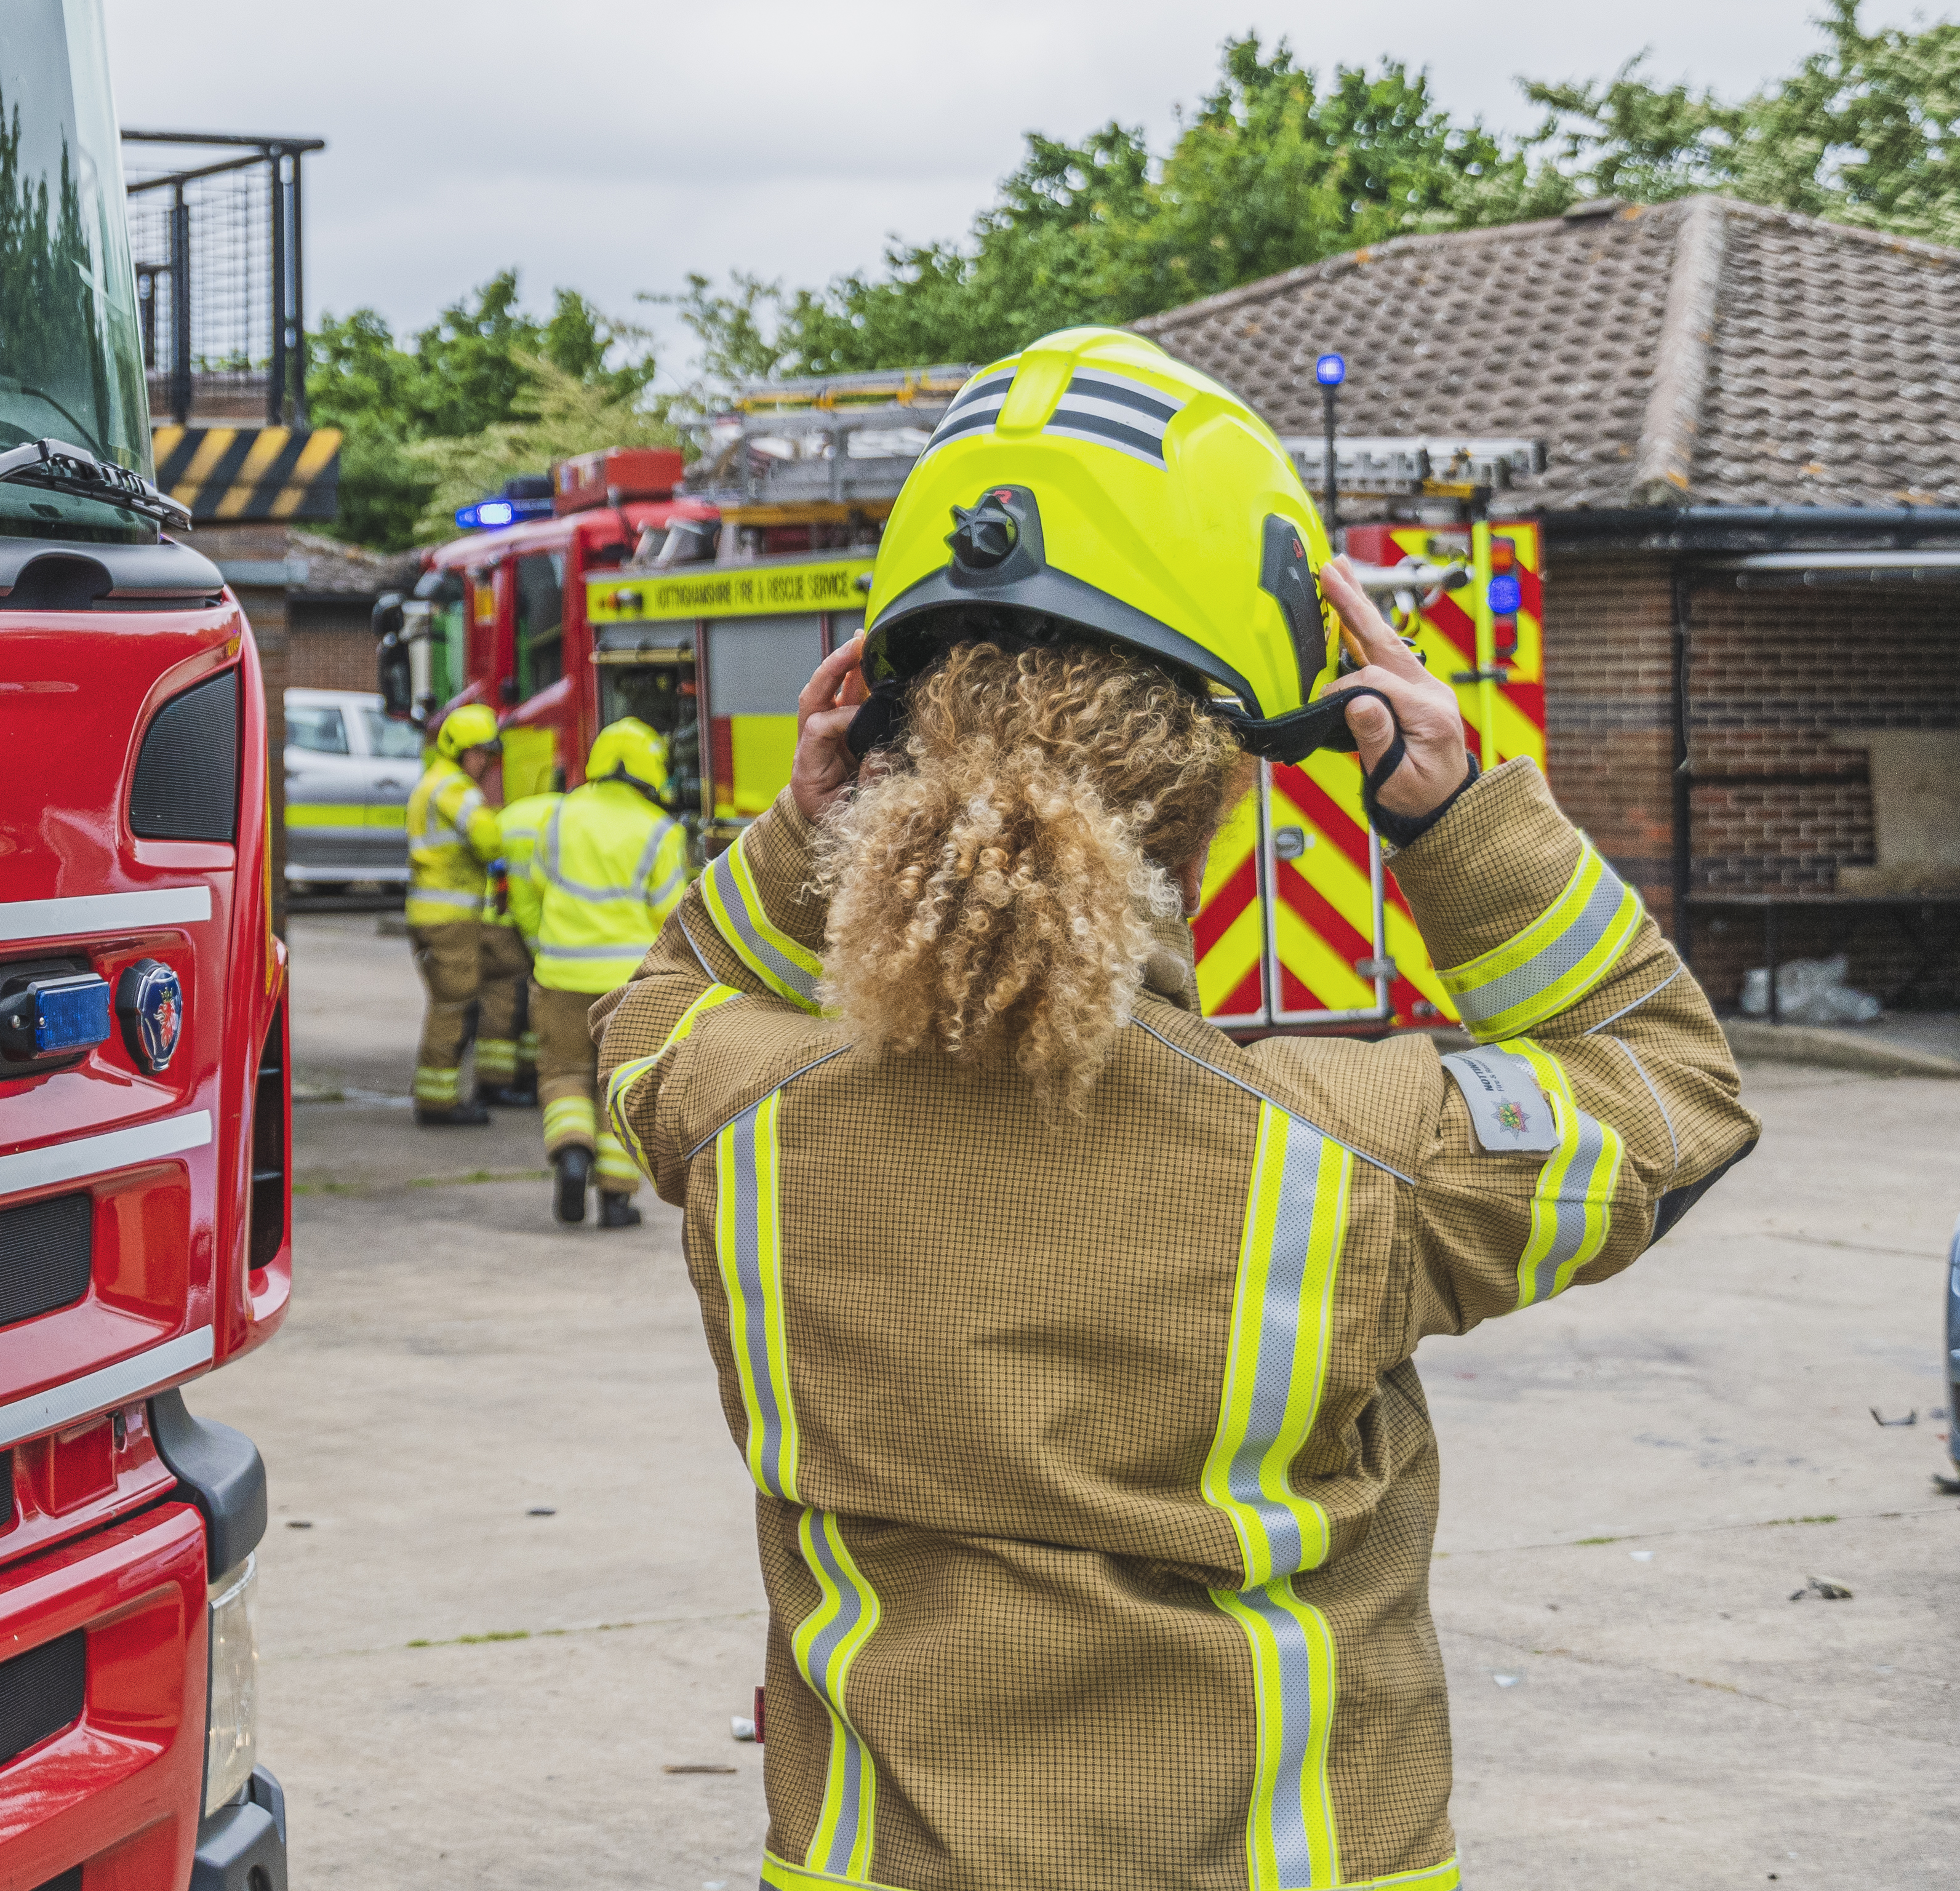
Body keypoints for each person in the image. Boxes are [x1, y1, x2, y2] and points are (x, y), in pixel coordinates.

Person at [600, 326, 1756, 1891]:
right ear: (1208, 791)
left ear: (880, 745)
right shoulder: (1357, 1149)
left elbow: (650, 1011)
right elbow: (1668, 1077)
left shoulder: (744, 1121)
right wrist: (1453, 819)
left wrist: (798, 838)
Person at [517, 716, 686, 1226]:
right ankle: (616, 1201)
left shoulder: (561, 815)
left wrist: (539, 944)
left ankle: (572, 1156)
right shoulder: (661, 831)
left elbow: (535, 885)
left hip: (561, 974)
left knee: (564, 1074)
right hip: (628, 986)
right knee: (623, 1087)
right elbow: (671, 913)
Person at [406, 702, 527, 1126]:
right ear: (459, 749)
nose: (486, 762)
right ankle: (439, 1103)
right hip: (450, 917)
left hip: (434, 914)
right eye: (481, 752)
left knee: (453, 1002)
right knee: (453, 1006)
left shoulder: (433, 782)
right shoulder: (454, 788)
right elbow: (489, 840)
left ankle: (442, 1096)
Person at [482, 778, 560, 1109]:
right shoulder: (556, 827)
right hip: (502, 921)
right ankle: (494, 1085)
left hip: (498, 914)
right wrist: (541, 948)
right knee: (504, 1000)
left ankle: (526, 1077)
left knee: (526, 999)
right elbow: (525, 898)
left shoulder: (545, 815)